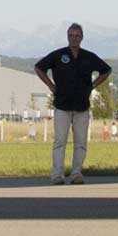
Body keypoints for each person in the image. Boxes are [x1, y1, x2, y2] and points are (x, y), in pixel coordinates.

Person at [35, 24, 110, 183]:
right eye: (71, 35)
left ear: (82, 37)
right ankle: (57, 175)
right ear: (67, 37)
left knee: (81, 142)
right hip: (62, 105)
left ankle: (76, 173)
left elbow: (106, 70)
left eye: (77, 36)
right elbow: (39, 67)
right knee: (60, 142)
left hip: (82, 106)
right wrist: (51, 85)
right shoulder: (58, 55)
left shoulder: (88, 56)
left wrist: (93, 85)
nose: (74, 38)